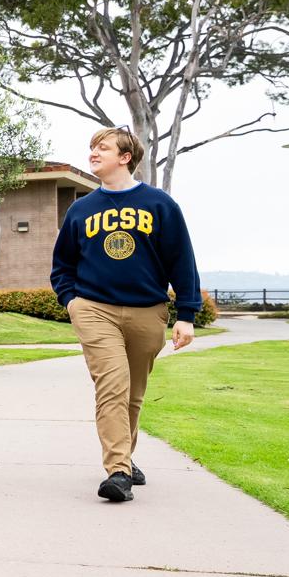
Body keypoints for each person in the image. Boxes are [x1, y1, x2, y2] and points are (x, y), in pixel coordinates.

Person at [51, 126, 199, 503]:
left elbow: (182, 261)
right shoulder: (81, 209)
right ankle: (118, 472)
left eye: (102, 147)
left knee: (133, 395)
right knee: (112, 387)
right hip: (94, 309)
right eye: (92, 147)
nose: (93, 153)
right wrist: (72, 302)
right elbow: (62, 264)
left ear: (125, 157)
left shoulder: (159, 204)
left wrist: (186, 314)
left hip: (147, 311)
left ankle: (126, 458)